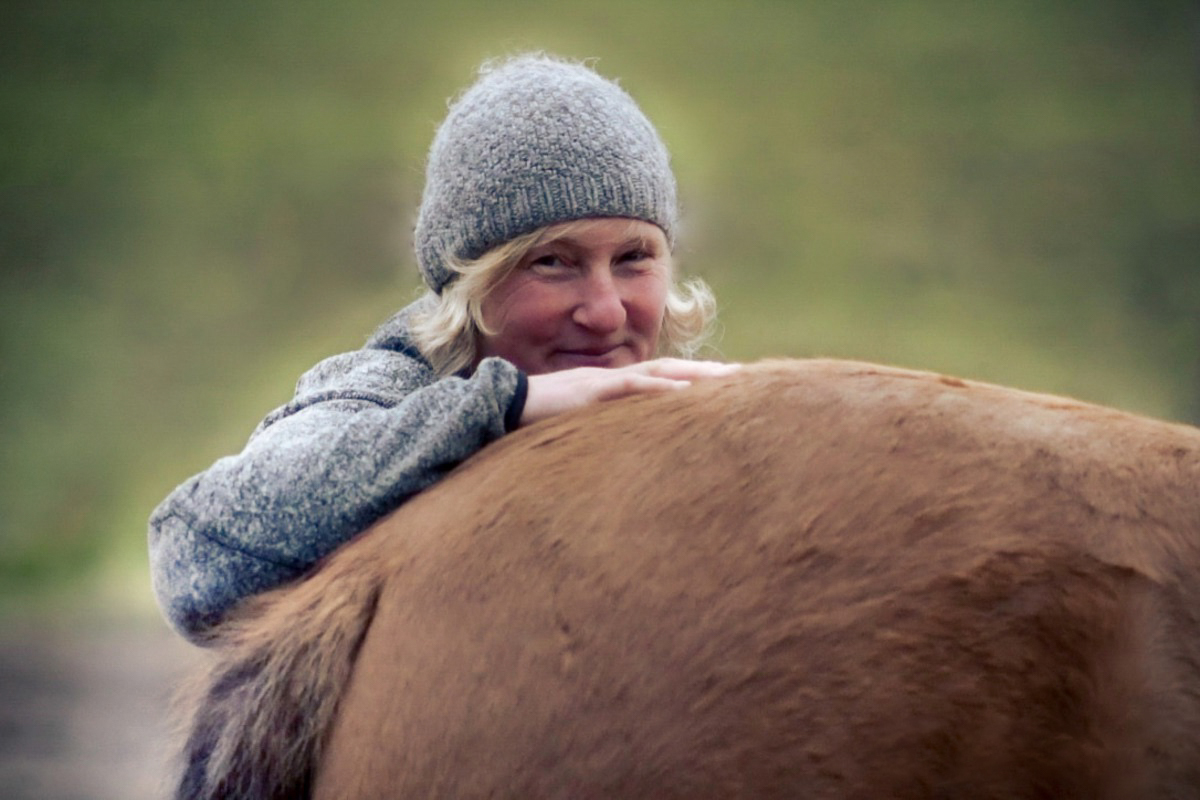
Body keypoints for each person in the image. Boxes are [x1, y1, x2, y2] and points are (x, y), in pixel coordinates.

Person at [149, 53, 737, 643]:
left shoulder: (681, 398)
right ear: (470, 285)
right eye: (552, 262)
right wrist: (503, 405)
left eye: (634, 258)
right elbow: (193, 548)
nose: (607, 311)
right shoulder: (391, 384)